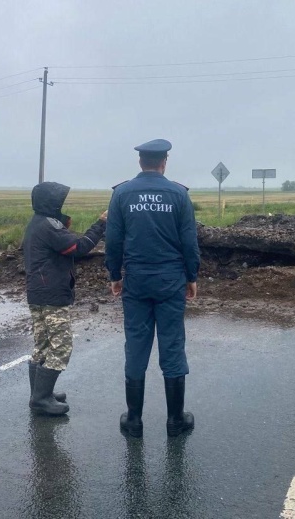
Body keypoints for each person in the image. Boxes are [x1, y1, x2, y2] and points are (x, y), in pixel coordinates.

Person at [105, 139, 200, 437]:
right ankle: (175, 421)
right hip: (170, 281)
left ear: (140, 162)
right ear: (164, 162)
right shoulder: (179, 195)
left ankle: (133, 421)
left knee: (136, 345)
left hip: (136, 281)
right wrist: (191, 276)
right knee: (172, 345)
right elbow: (189, 242)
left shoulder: (121, 194)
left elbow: (114, 241)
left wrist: (114, 275)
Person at [23, 181, 107, 415]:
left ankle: (40, 394)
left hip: (37, 292)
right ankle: (40, 399)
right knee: (61, 347)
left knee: (42, 345)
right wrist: (101, 224)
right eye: (59, 201)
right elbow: (78, 248)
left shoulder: (37, 223)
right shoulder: (49, 226)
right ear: (51, 202)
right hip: (52, 294)